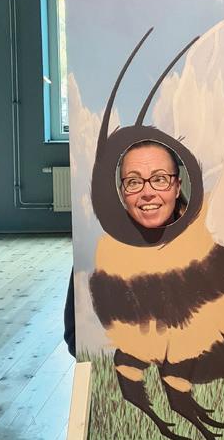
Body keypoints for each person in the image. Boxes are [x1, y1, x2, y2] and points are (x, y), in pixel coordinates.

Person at [63, 140, 187, 358]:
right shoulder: (97, 254)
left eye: (160, 179)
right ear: (122, 192)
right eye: (133, 182)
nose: (147, 192)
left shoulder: (208, 248)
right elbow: (77, 338)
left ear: (177, 187)